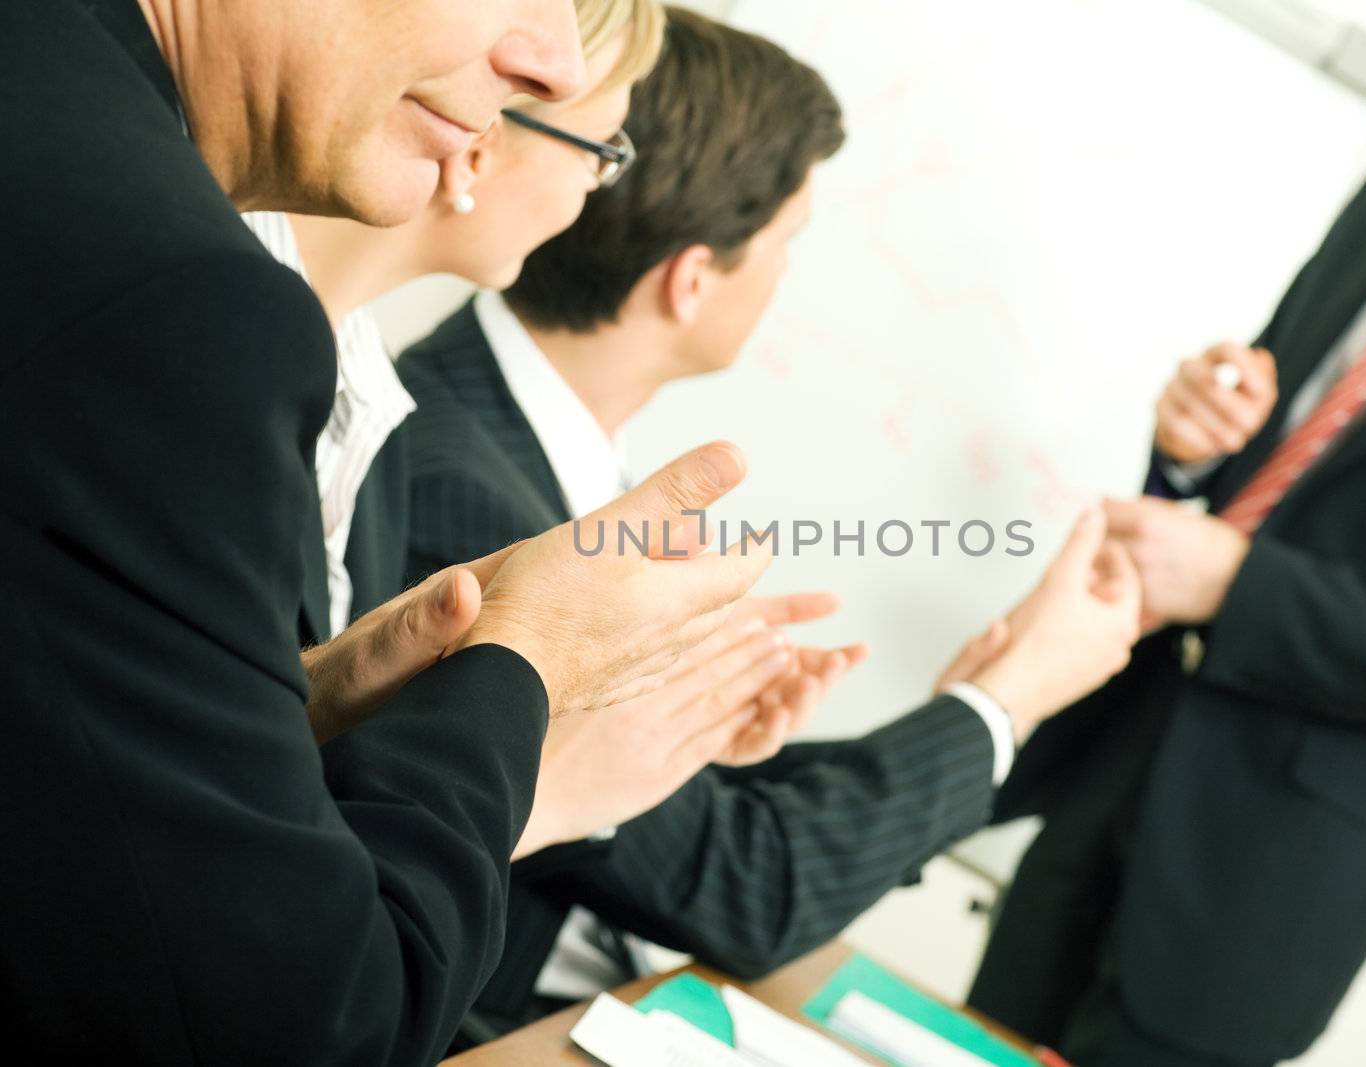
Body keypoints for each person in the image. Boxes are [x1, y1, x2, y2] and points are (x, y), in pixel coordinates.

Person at [0, 0, 776, 1059]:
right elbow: (309, 1025)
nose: (547, 66)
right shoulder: (185, 300)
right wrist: (523, 659)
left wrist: (302, 705)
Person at [369, 7, 1142, 1039]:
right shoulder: (467, 498)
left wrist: (704, 740)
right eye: (787, 242)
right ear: (691, 278)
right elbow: (747, 888)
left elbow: (676, 831)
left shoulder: (540, 454)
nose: (788, 273)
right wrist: (1009, 695)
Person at [969, 4, 1366, 1064]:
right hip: (1113, 765)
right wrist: (1192, 447)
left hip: (1262, 885)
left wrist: (1240, 585)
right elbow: (1269, 455)